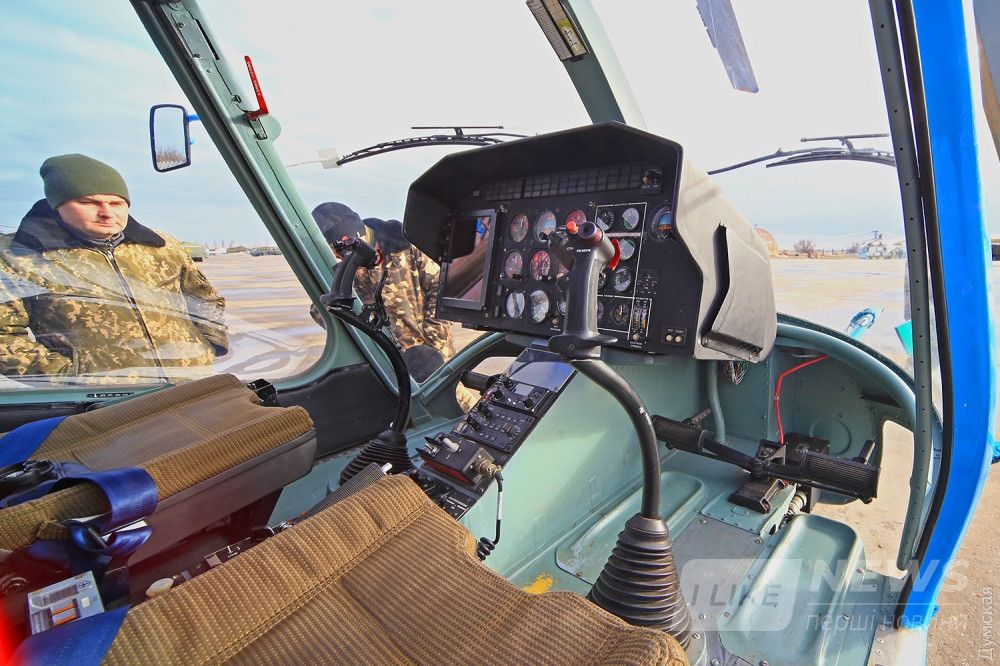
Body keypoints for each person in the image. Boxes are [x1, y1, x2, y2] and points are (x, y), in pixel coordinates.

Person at [0, 154, 228, 381]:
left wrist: (208, 346)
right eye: (89, 202)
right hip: (108, 394)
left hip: (190, 380)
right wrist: (70, 376)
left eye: (116, 203)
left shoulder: (161, 245)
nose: (107, 213)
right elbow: (4, 337)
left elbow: (203, 297)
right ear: (57, 204)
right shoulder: (19, 256)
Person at [311, 203, 475, 409]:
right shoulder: (342, 266)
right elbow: (321, 310)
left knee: (455, 402)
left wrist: (433, 339)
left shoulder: (406, 246)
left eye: (340, 249)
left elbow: (444, 289)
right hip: (386, 358)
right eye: (335, 251)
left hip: (430, 349)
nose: (338, 255)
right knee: (410, 411)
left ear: (353, 236)